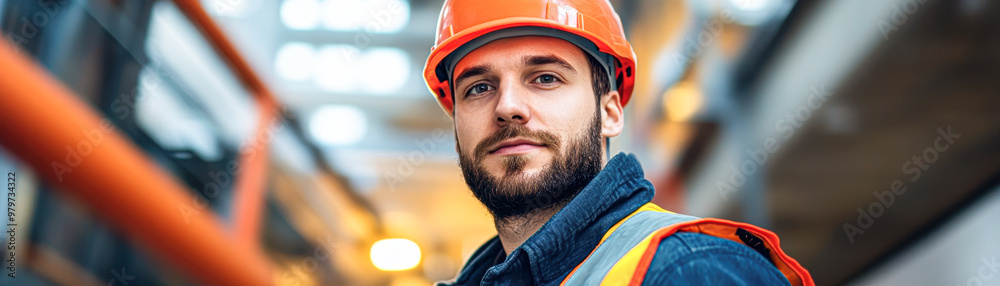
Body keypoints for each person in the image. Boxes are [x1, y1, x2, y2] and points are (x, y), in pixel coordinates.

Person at [422, 0, 814, 285]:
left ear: (609, 113)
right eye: (478, 88)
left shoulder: (690, 271)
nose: (507, 107)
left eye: (545, 78)